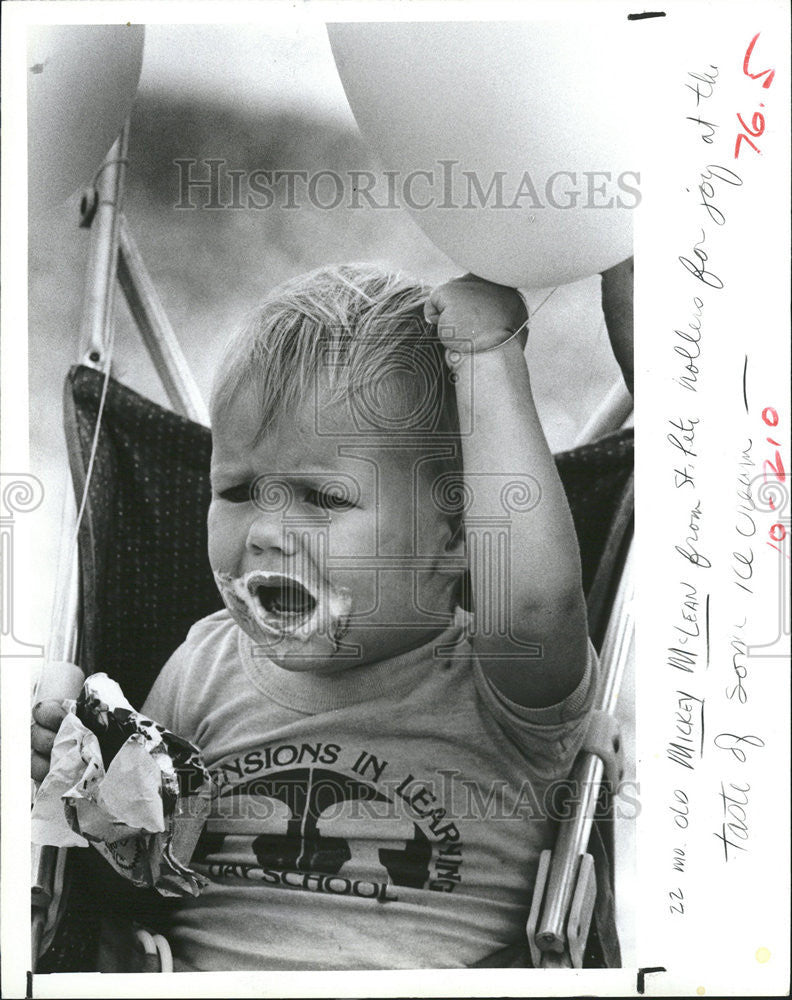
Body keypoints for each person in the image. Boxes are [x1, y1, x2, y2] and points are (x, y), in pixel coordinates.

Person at [32, 262, 609, 971]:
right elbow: (138, 865)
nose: (269, 531)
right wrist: (88, 781)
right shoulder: (202, 665)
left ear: (459, 536)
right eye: (239, 489)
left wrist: (487, 356)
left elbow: (534, 601)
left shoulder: (503, 681)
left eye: (324, 498)